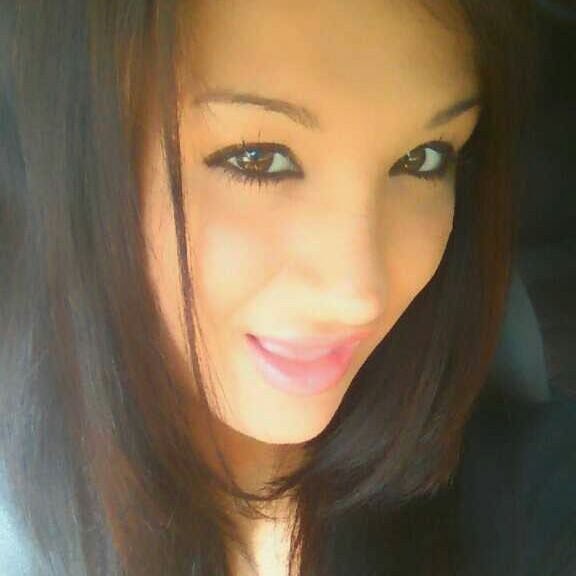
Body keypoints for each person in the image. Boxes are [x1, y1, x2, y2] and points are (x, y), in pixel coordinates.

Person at [0, 0, 547, 575]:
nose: (357, 295)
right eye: (257, 159)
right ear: (84, 159)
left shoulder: (510, 490)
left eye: (423, 159)